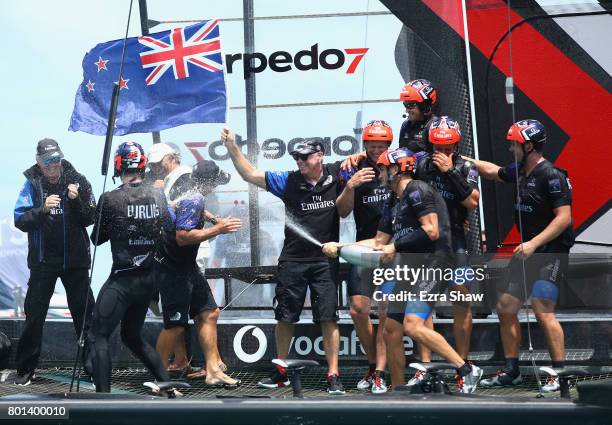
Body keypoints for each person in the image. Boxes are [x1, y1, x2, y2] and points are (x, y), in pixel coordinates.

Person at [323, 148, 483, 393]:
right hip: (410, 269)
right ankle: (398, 391)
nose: (379, 175)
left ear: (396, 170)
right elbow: (378, 242)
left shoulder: (417, 190)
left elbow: (431, 231)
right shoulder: (392, 200)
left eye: (384, 169)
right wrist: (342, 246)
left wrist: (394, 246)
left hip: (434, 265)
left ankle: (466, 369)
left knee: (413, 326)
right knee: (391, 329)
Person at [222, 127, 346, 395]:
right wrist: (232, 146)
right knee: (285, 316)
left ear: (320, 156)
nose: (300, 162)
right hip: (293, 260)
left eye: (304, 157)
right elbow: (249, 174)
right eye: (296, 158)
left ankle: (333, 374)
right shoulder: (288, 181)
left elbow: (369, 157)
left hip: (325, 261)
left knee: (328, 318)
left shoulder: (337, 173)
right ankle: (282, 372)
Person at [469, 119, 573, 392]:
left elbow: (564, 218)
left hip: (550, 253)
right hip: (528, 252)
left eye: (515, 143)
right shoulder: (520, 170)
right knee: (505, 306)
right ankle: (512, 370)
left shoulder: (552, 175)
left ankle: (561, 374)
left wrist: (534, 243)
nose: (510, 147)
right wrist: (460, 158)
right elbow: (492, 172)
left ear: (528, 145)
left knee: (542, 309)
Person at [88, 142, 171, 393]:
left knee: (97, 336)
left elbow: (97, 239)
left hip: (123, 280)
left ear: (118, 165)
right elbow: (167, 228)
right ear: (143, 165)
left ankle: (103, 398)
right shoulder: (158, 195)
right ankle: (167, 386)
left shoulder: (110, 198)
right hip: (148, 281)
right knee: (131, 337)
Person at [13, 138, 96, 386]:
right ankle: (26, 370)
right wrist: (42, 209)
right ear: (38, 162)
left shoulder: (78, 180)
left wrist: (76, 200)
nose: (53, 166)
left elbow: (91, 217)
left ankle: (93, 368)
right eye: (47, 162)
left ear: (61, 158)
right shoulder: (31, 184)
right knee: (34, 315)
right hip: (43, 262)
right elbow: (20, 220)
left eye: (56, 160)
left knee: (85, 317)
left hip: (76, 262)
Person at [407, 116, 481, 386]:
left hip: (455, 242)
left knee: (462, 299)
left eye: (449, 148)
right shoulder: (421, 163)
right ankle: (424, 367)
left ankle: (465, 362)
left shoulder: (465, 167)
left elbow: (472, 201)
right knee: (422, 303)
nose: (443, 153)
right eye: (438, 147)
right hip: (426, 243)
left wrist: (450, 171)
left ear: (457, 145)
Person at [155, 159, 241, 387]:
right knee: (174, 326)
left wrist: (214, 219)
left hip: (187, 267)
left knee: (210, 312)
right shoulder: (195, 198)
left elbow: (192, 210)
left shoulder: (190, 192)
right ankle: (159, 378)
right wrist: (218, 229)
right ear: (209, 183)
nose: (216, 187)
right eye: (216, 183)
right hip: (174, 269)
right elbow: (182, 237)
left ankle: (213, 370)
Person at [335, 120, 392, 394]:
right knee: (358, 308)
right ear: (365, 145)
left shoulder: (398, 165)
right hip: (363, 247)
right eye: (372, 145)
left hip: (391, 250)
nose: (377, 149)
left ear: (389, 145)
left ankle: (381, 372)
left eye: (382, 145)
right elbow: (342, 212)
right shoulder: (353, 168)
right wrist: (351, 186)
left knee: (384, 311)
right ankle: (372, 364)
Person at [398, 79, 438, 152]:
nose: (407, 111)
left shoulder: (436, 126)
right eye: (405, 105)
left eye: (410, 105)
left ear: (424, 105)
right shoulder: (406, 125)